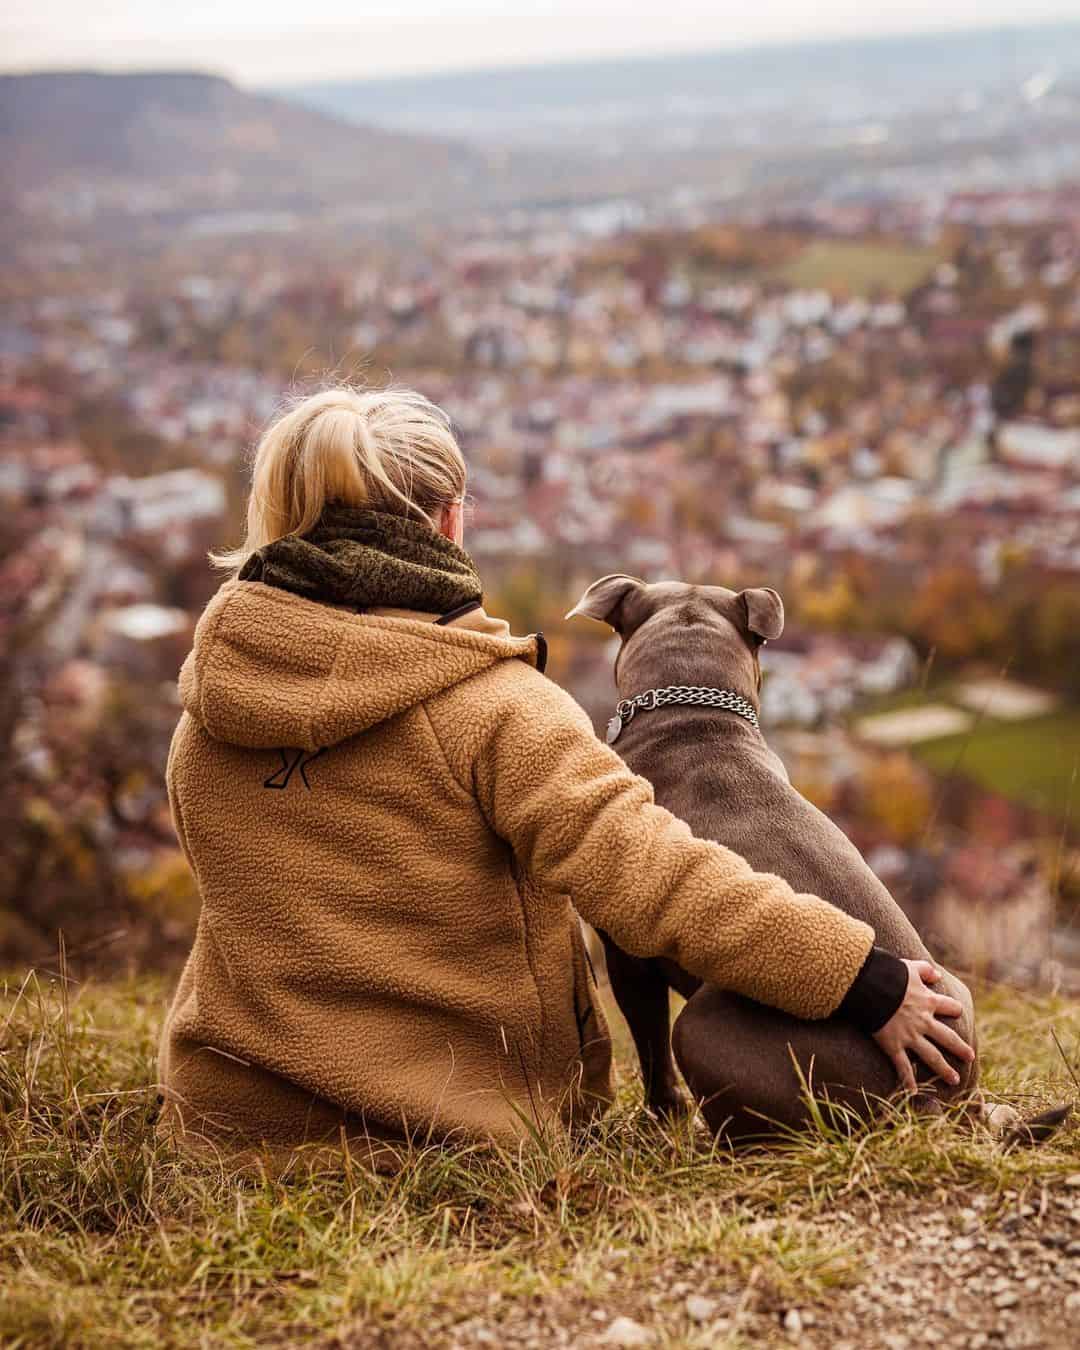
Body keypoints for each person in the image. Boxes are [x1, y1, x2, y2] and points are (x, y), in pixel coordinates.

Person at [157, 384, 972, 1168]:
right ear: (450, 520)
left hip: (228, 1123)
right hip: (451, 1127)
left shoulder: (211, 712)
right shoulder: (497, 710)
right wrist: (863, 978)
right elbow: (656, 878)